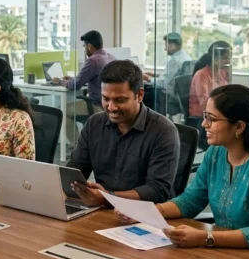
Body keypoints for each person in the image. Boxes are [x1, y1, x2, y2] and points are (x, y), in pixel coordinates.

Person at [135, 85, 249, 249]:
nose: (204, 124)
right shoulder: (215, 153)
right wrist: (151, 212)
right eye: (205, 116)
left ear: (239, 126)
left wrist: (204, 238)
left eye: (212, 119)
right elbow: (191, 200)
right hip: (231, 251)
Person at [65, 60, 179, 206]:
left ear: (139, 95)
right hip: (103, 210)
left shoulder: (163, 131)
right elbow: (75, 170)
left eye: (120, 100)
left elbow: (157, 191)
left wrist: (107, 197)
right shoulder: (94, 124)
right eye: (106, 99)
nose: (111, 107)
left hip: (147, 215)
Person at [54, 30, 116, 107]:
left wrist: (60, 81)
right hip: (109, 103)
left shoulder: (93, 60)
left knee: (62, 109)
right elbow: (96, 79)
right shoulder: (111, 57)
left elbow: (75, 85)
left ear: (89, 46)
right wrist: (73, 79)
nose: (84, 49)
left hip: (97, 105)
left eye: (84, 46)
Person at [189, 41, 231, 118]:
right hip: (201, 115)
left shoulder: (222, 73)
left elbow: (226, 95)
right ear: (214, 57)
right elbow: (204, 104)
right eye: (225, 58)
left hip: (216, 110)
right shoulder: (201, 75)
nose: (229, 61)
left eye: (229, 57)